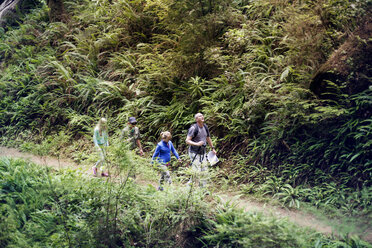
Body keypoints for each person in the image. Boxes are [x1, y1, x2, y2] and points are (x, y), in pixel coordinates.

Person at [186, 113, 216, 187]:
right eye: (200, 116)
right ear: (196, 119)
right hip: (194, 152)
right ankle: (189, 188)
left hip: (203, 152)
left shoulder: (205, 127)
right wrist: (197, 144)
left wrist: (212, 148)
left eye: (202, 115)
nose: (202, 117)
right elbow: (187, 141)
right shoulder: (193, 128)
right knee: (196, 171)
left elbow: (208, 138)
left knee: (204, 171)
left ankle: (202, 189)